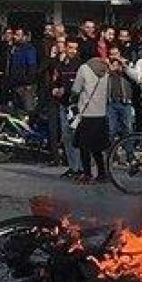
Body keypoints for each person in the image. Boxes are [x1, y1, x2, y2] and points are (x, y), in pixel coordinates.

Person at [70, 44, 110, 184]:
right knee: (97, 147)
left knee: (84, 146)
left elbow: (76, 89)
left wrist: (73, 101)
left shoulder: (84, 68)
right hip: (101, 113)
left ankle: (87, 174)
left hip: (86, 113)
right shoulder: (105, 69)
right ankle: (102, 173)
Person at [51, 38, 84, 178]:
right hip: (63, 104)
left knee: (77, 136)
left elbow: (80, 85)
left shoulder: (81, 66)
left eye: (75, 48)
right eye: (70, 47)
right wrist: (55, 89)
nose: (73, 51)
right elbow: (56, 80)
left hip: (76, 106)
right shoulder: (60, 65)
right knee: (66, 137)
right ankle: (72, 166)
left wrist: (66, 89)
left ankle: (81, 168)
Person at [104, 42, 136, 142]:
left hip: (125, 102)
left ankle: (129, 154)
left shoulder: (127, 64)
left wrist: (124, 66)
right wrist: (109, 69)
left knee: (128, 129)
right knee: (111, 130)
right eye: (112, 54)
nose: (114, 57)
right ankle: (112, 154)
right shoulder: (105, 67)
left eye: (116, 54)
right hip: (111, 103)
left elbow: (135, 78)